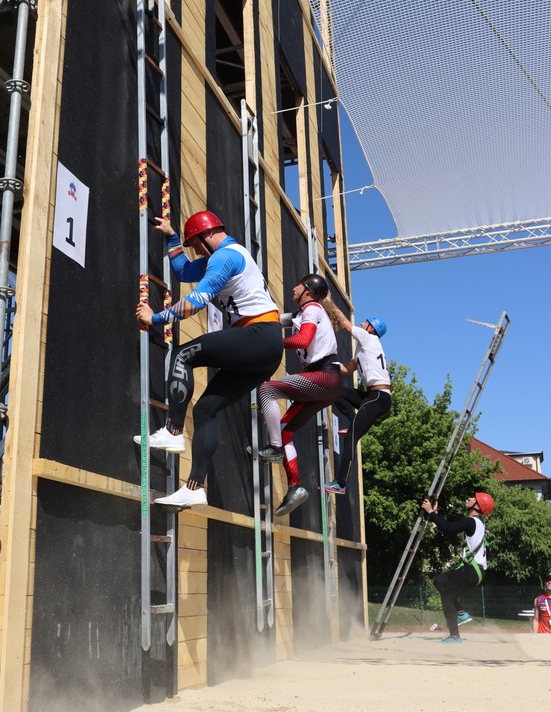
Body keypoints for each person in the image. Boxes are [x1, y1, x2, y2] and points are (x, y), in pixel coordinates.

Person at [134, 210, 283, 511]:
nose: (197, 252)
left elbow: (197, 300)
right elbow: (184, 272)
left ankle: (174, 431)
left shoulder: (226, 256)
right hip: (265, 350)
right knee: (205, 410)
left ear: (208, 234)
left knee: (183, 353)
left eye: (197, 245)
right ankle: (194, 488)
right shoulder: (220, 256)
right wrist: (173, 238)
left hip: (259, 334)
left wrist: (156, 318)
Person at [256, 274, 342, 517]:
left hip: (323, 377)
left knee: (267, 389)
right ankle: (295, 487)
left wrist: (276, 344)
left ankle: (273, 448)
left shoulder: (312, 308)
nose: (292, 287)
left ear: (307, 290)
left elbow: (303, 338)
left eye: (298, 284)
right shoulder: (301, 314)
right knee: (285, 432)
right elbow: (272, 320)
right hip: (326, 384)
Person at [320, 299, 391, 496]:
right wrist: (326, 364)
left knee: (351, 436)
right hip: (372, 396)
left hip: (379, 397)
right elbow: (345, 370)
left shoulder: (369, 339)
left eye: (365, 323)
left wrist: (327, 301)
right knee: (337, 390)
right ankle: (352, 420)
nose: (361, 324)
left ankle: (340, 484)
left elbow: (344, 322)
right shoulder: (363, 349)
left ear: (371, 329)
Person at [420, 492, 494, 642]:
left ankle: (454, 636)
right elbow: (448, 526)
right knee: (440, 581)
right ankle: (461, 613)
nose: (469, 498)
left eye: (473, 498)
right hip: (475, 570)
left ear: (477, 506)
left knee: (447, 593)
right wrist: (435, 513)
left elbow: (447, 528)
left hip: (473, 570)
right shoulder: (477, 523)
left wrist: (430, 512)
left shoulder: (471, 521)